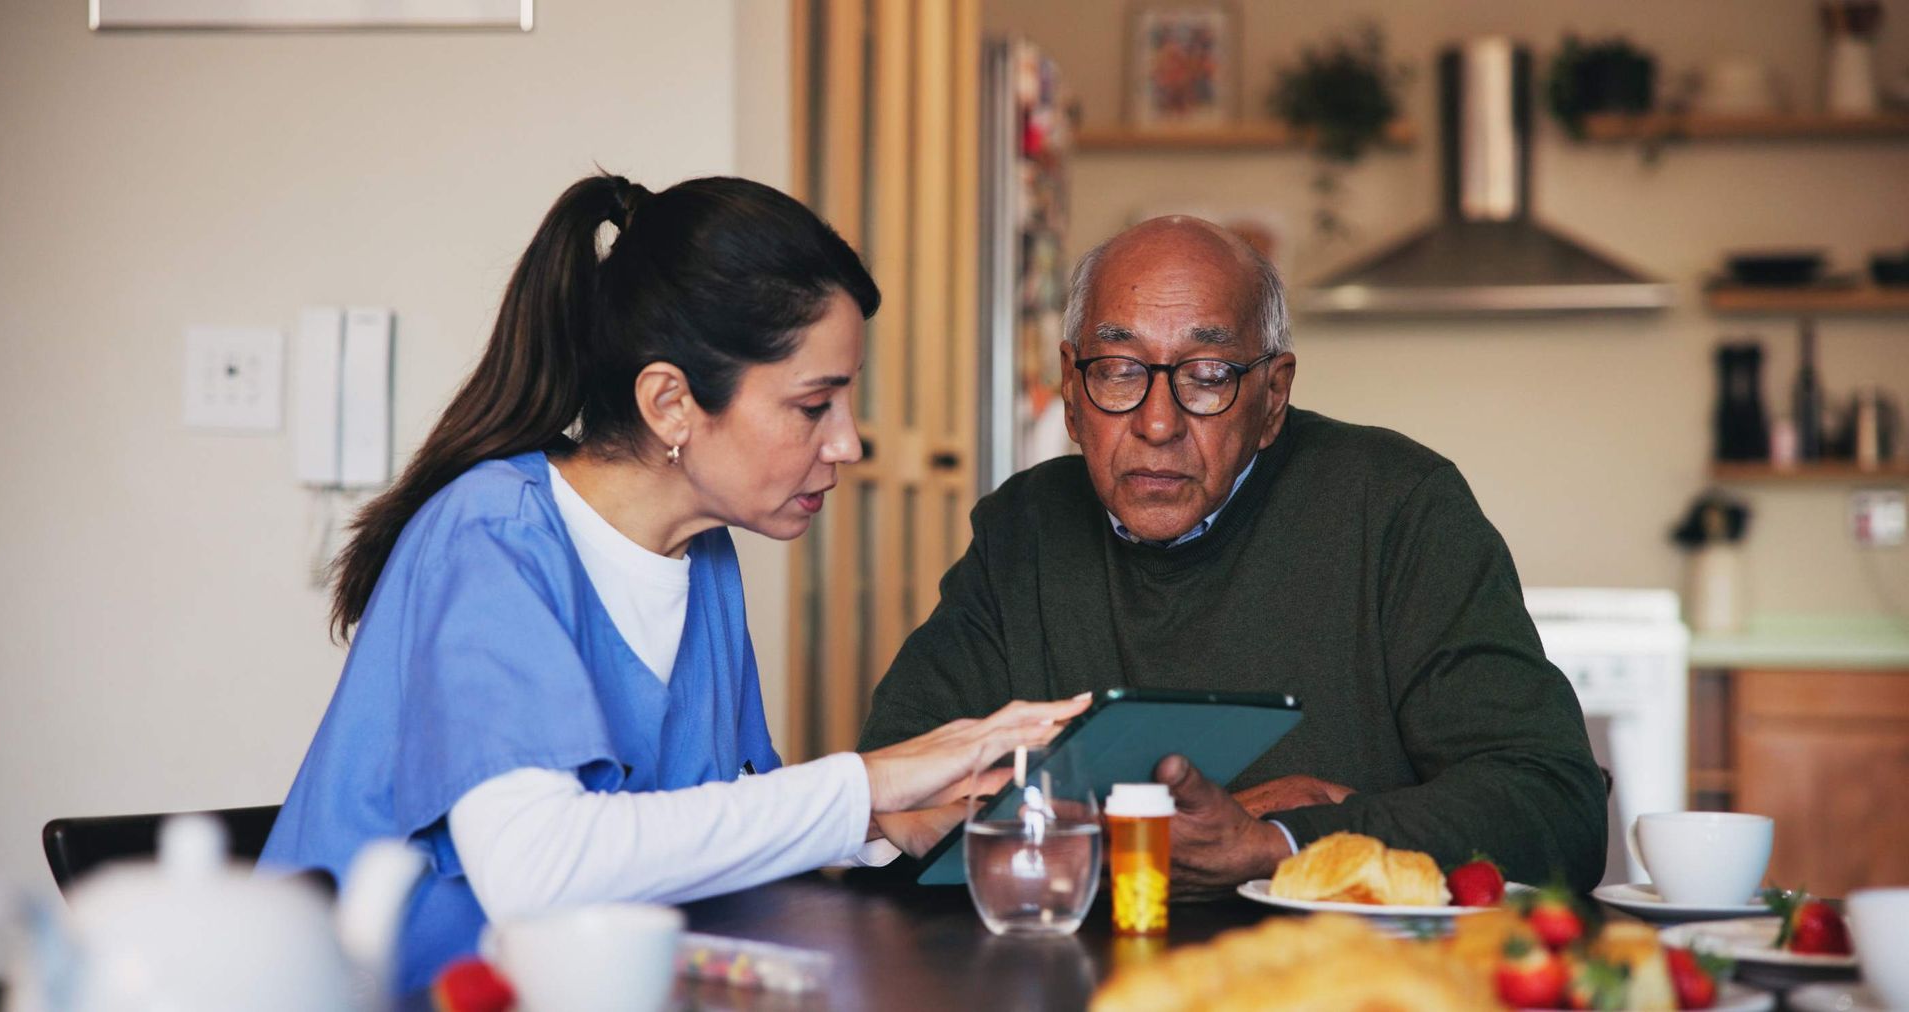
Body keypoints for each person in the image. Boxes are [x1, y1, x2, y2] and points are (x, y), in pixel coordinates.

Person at [259, 174, 1088, 993]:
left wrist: (884, 822)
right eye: (813, 406)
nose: (848, 445)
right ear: (670, 403)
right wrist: (867, 782)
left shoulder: (701, 557)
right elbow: (535, 866)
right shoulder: (493, 535)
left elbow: (702, 815)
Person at [860, 216, 1607, 896]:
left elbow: (1553, 807)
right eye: (1119, 370)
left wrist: (1278, 842)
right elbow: (895, 798)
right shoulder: (1022, 528)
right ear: (1070, 389)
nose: (1157, 422)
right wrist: (1160, 834)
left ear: (1273, 396)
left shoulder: (1398, 505)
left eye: (1208, 376)